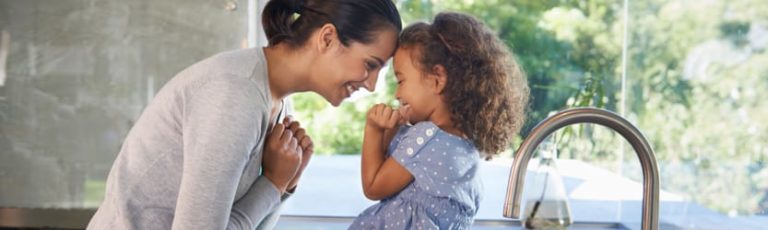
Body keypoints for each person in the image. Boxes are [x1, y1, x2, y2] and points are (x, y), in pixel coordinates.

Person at [87, 0, 401, 229]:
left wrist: (286, 183)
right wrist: (274, 184)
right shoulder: (235, 94)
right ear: (327, 38)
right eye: (371, 64)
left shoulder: (277, 102)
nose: (372, 85)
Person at [350, 12, 530, 229]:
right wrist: (393, 127)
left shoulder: (425, 136)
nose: (397, 94)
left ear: (437, 80)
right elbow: (389, 166)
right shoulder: (465, 147)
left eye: (401, 80)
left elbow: (373, 187)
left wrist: (373, 129)